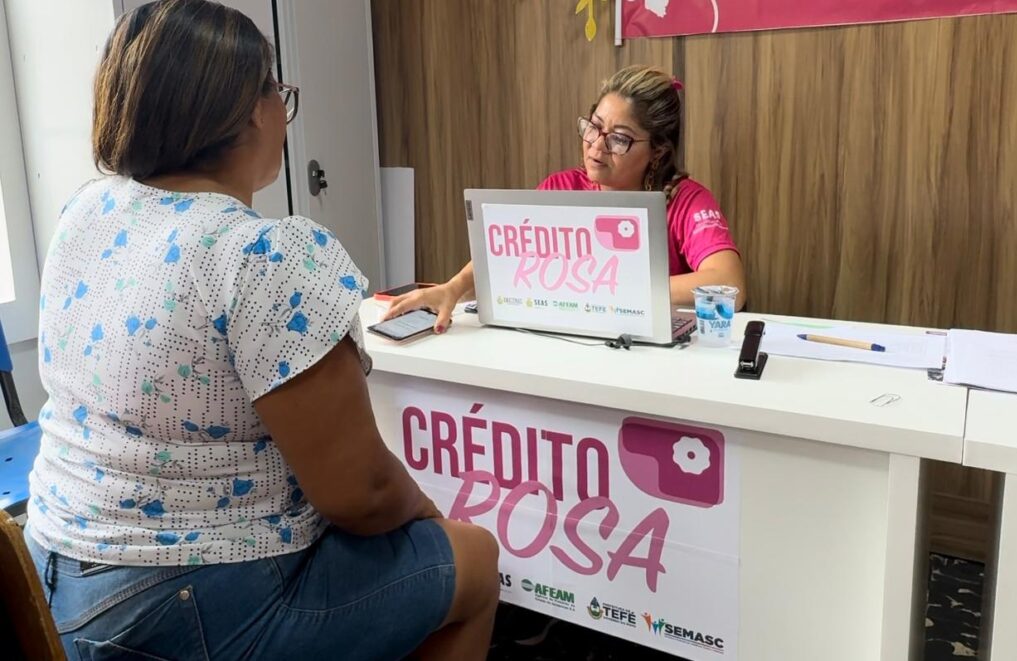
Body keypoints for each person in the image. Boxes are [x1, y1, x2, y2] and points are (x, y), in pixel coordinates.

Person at [25, 2, 497, 659]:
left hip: (46, 576)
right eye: (281, 92)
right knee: (471, 556)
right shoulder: (263, 256)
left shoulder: (87, 210)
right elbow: (359, 494)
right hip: (174, 607)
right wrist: (429, 514)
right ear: (255, 110)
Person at [386, 64, 746, 331]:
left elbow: (729, 285)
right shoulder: (561, 188)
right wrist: (454, 288)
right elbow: (505, 257)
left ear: (657, 152)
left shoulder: (686, 199)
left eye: (619, 139)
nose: (596, 146)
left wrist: (610, 289)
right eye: (593, 126)